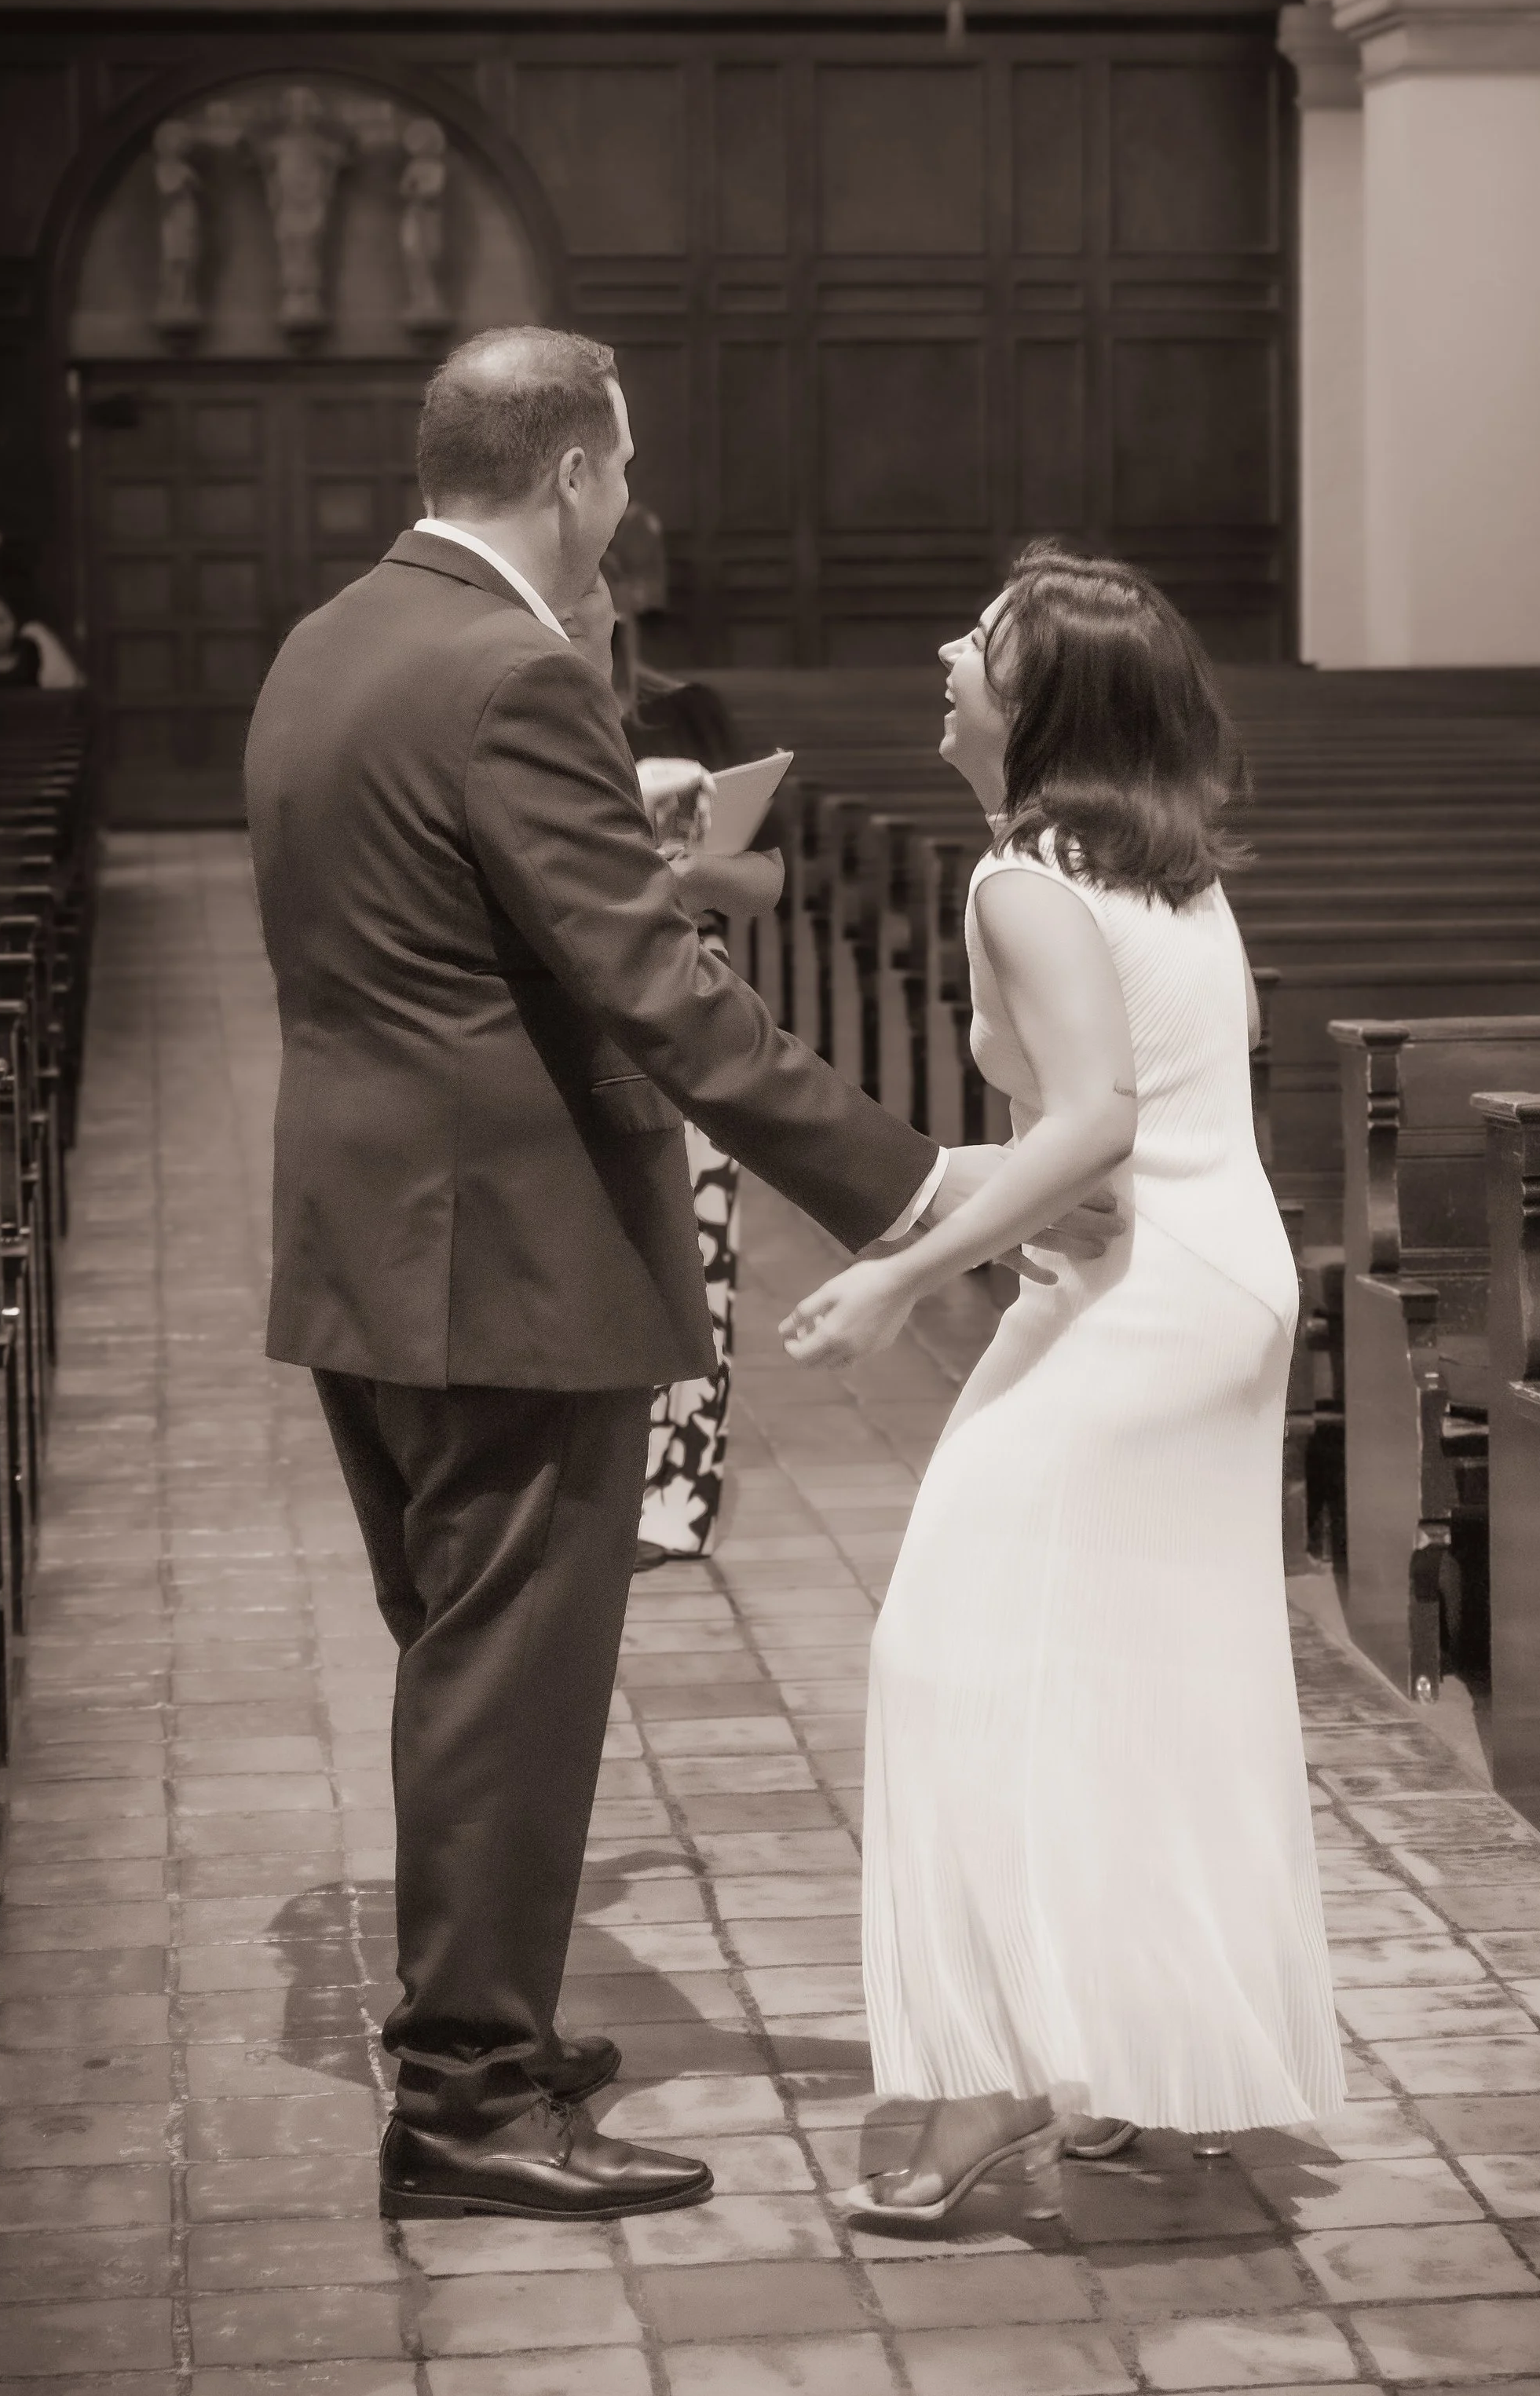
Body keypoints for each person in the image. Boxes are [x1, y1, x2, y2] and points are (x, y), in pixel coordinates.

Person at [243, 328, 1118, 2227]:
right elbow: (663, 1000)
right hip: (507, 1255)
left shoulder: (326, 645)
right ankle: (466, 2100)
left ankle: (484, 2031)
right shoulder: (511, 675)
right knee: (508, 1677)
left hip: (367, 1238)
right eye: (620, 472)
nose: (628, 507)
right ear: (567, 474)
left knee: (461, 1656)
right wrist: (911, 1192)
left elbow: (413, 945)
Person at [782, 543, 1345, 2224]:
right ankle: (1151, 2073)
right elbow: (1130, 1136)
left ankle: (982, 2091)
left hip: (1142, 1300)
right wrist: (920, 1194)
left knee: (944, 1650)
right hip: (1211, 1282)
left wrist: (898, 1274)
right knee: (1153, 1667)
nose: (947, 647)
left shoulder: (1025, 877)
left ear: (1035, 704)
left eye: (984, 639)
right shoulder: (1151, 865)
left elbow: (1092, 1129)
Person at [603, 499, 784, 1565]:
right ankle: (592, 1486)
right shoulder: (526, 708)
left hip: (687, 996)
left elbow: (765, 878)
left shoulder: (690, 714)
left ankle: (678, 1496)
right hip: (571, 1011)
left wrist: (681, 865)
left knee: (696, 1251)